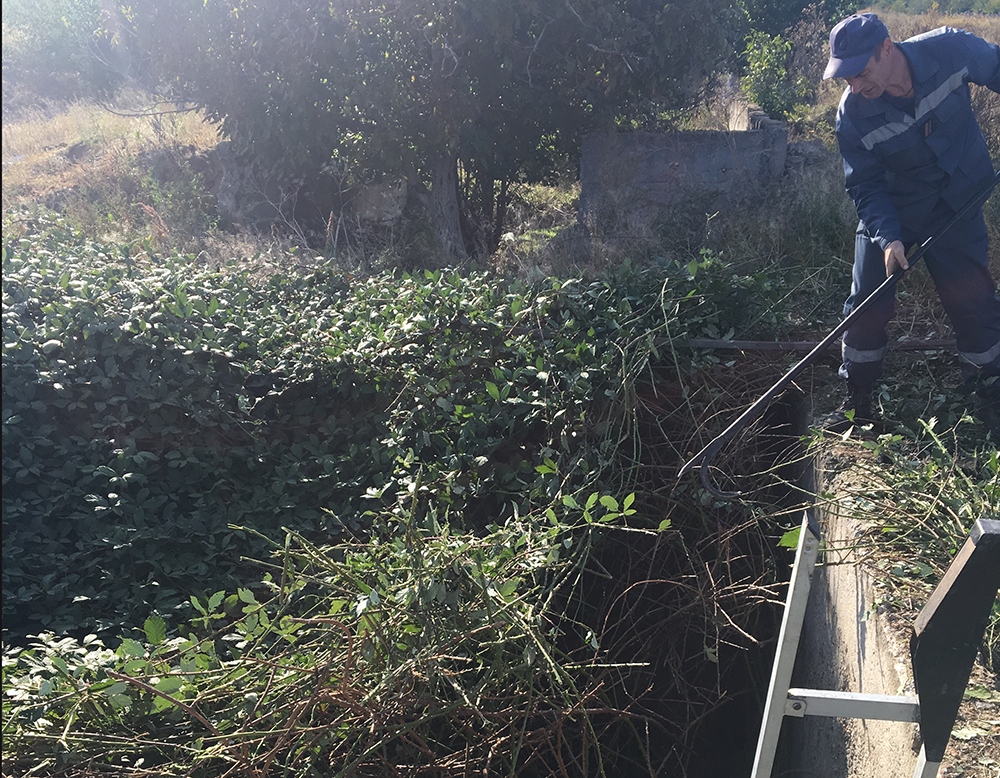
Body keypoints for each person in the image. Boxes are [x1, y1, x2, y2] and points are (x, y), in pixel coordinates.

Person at [822, 12, 1000, 434]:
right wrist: (888, 239)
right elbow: (864, 185)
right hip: (896, 210)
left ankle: (988, 400)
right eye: (845, 79)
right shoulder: (852, 116)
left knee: (972, 301)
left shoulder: (949, 49)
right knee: (867, 301)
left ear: (887, 48)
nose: (856, 87)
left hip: (959, 198)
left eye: (861, 73)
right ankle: (858, 404)